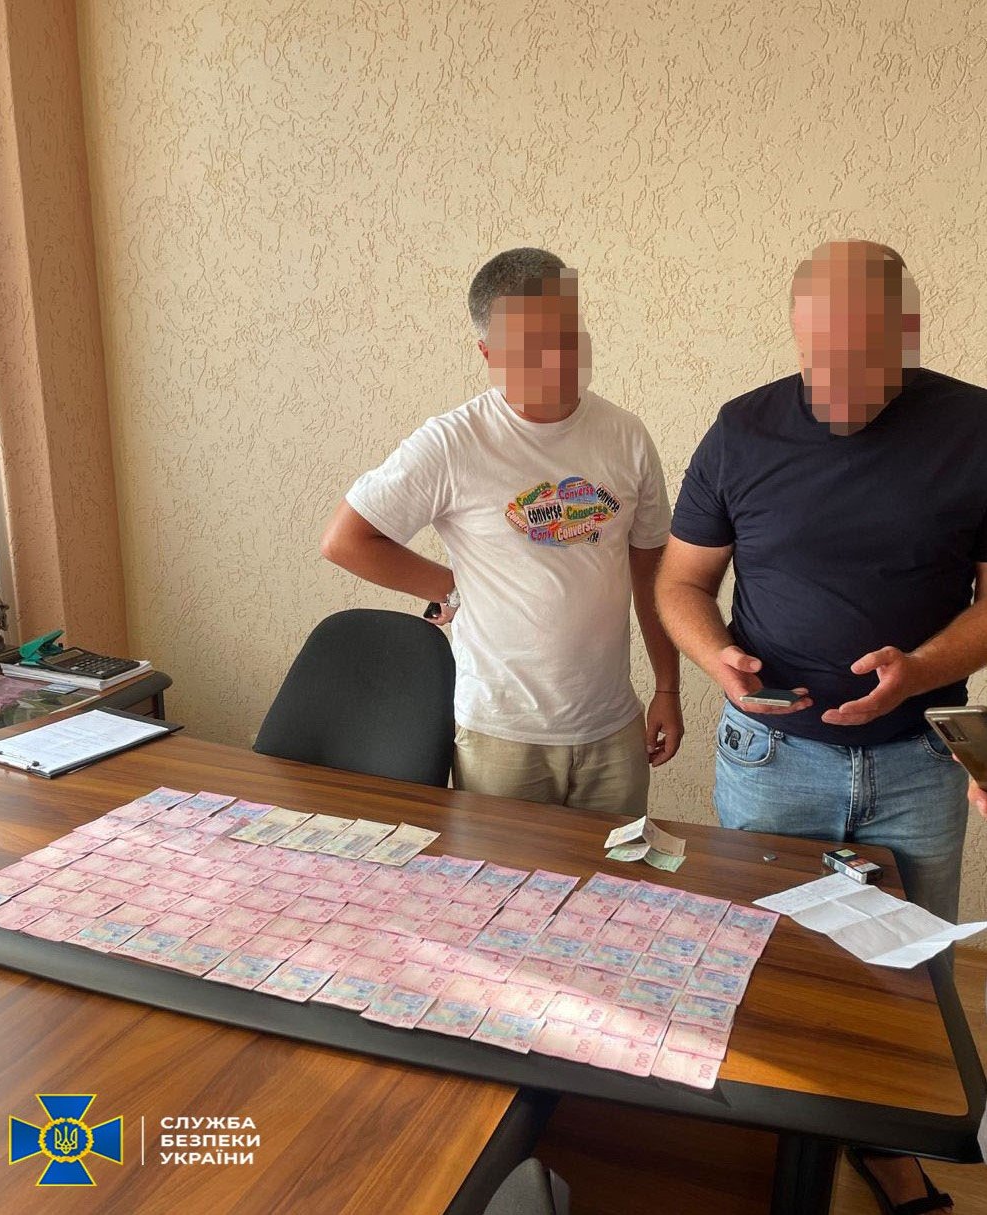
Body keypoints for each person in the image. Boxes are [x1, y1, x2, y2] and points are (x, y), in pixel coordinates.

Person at [657, 239, 987, 1215]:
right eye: (818, 362)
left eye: (860, 363)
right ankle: (772, 1142)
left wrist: (920, 669)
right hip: (769, 759)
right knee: (765, 960)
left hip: (917, 760)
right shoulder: (741, 430)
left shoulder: (974, 428)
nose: (835, 389)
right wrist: (714, 655)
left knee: (907, 972)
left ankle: (886, 1147)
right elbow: (680, 582)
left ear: (907, 335)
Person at [321, 247, 681, 813]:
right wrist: (451, 587)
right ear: (489, 353)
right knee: (499, 873)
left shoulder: (626, 436)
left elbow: (652, 572)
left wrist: (667, 686)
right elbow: (346, 540)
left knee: (616, 870)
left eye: (565, 335)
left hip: (612, 729)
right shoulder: (453, 442)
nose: (556, 359)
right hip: (501, 735)